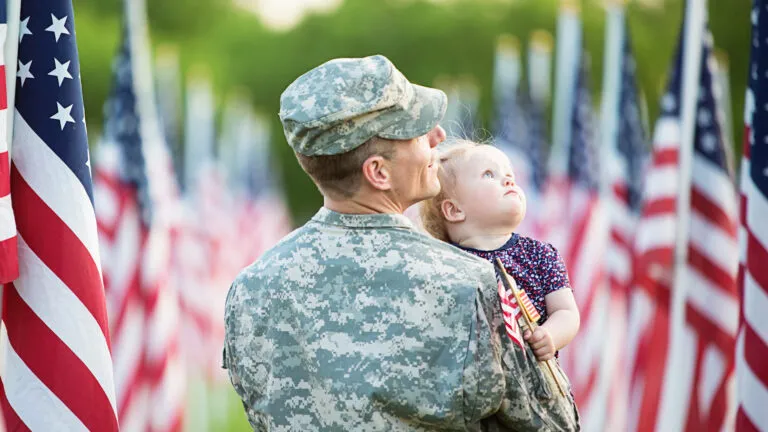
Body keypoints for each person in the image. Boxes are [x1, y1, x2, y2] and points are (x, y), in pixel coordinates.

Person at [222, 55, 579, 431]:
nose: (438, 137)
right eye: (417, 131)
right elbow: (553, 422)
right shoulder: (473, 283)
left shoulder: (250, 289)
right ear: (378, 172)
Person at [421, 140, 580, 362]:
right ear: (455, 209)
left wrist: (550, 334)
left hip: (535, 389)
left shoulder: (539, 254)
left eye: (509, 174)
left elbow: (566, 312)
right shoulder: (443, 265)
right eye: (488, 174)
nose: (508, 179)